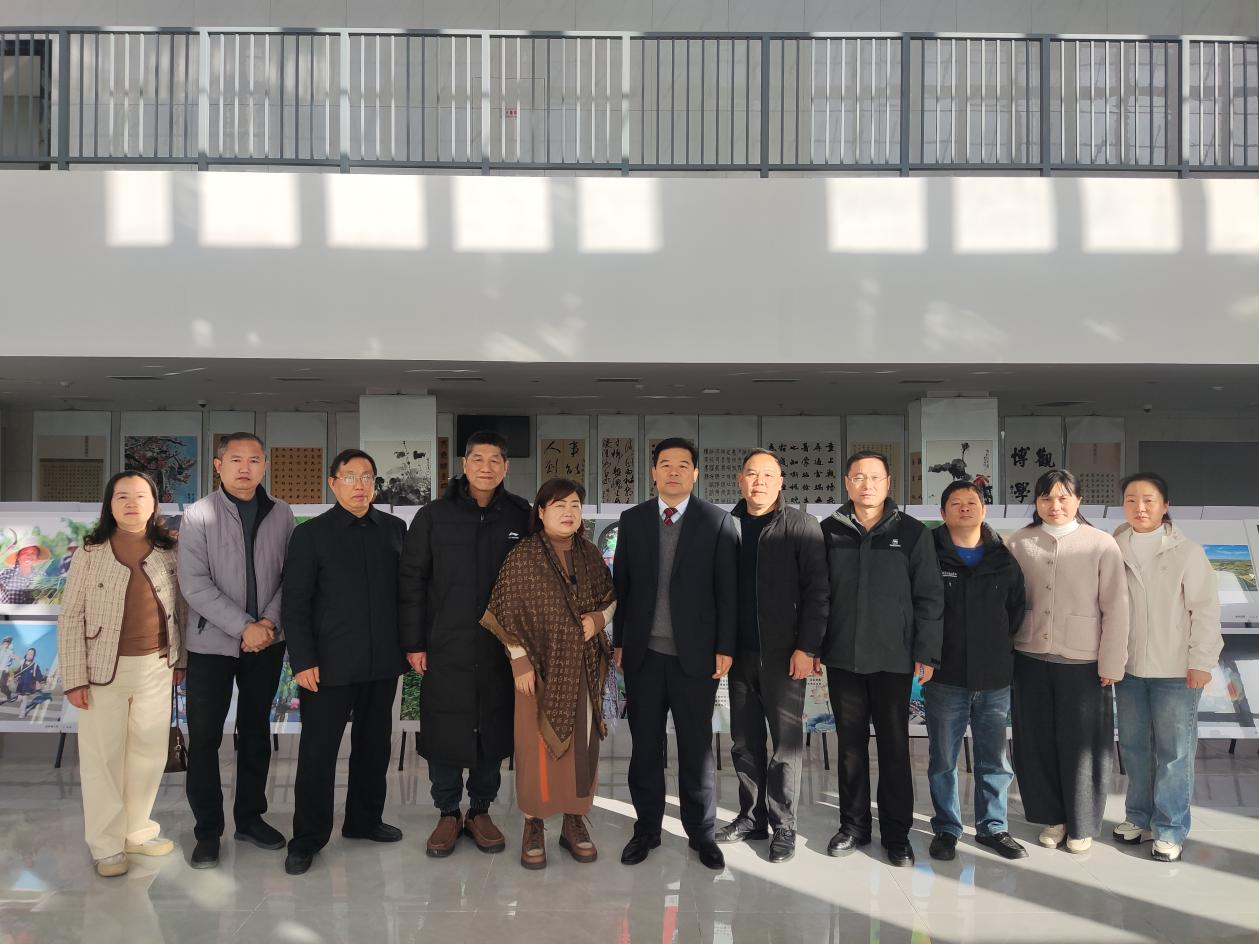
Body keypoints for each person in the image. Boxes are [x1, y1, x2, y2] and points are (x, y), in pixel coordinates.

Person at [399, 430, 532, 858]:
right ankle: (447, 812)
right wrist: (415, 642)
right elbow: (412, 581)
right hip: (446, 642)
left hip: (500, 646)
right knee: (445, 725)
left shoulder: (521, 515)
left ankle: (480, 810)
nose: (486, 468)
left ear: (506, 467)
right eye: (478, 459)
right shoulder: (434, 516)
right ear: (464, 464)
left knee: (492, 724)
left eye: (495, 460)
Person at [612, 437, 738, 871]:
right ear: (653, 472)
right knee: (645, 746)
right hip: (643, 655)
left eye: (683, 465)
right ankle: (646, 828)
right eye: (665, 464)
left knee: (696, 748)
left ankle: (701, 833)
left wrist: (725, 646)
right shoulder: (632, 520)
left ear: (695, 473)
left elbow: (728, 592)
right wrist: (620, 641)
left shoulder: (717, 521)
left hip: (696, 658)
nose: (673, 472)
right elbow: (623, 586)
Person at [282, 449, 408, 875]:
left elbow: (407, 594)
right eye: (350, 476)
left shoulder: (393, 530)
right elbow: (294, 603)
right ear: (333, 483)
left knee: (374, 747)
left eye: (367, 477)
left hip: (382, 661)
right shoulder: (311, 535)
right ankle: (307, 838)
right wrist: (302, 660)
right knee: (318, 753)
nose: (360, 485)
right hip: (327, 665)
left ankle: (364, 820)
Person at [481, 478, 616, 869]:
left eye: (574, 505)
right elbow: (505, 611)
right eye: (559, 506)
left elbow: (610, 598)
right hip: (536, 671)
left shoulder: (590, 553)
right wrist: (519, 660)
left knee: (582, 748)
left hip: (584, 667)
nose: (568, 513)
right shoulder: (523, 556)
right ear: (540, 512)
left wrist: (598, 619)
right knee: (534, 747)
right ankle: (534, 823)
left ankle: (574, 820)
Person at [57, 471, 186, 877]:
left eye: (141, 496)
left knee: (148, 754)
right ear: (109, 505)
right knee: (102, 759)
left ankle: (137, 831)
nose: (132, 503)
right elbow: (70, 615)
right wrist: (74, 678)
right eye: (122, 496)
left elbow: (181, 608)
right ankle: (106, 845)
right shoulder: (91, 551)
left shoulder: (169, 550)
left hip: (157, 666)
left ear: (154, 504)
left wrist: (180, 660)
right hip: (101, 670)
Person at [819, 450, 943, 867]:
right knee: (850, 747)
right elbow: (817, 595)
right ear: (847, 483)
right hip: (843, 657)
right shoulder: (829, 531)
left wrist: (926, 652)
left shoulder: (912, 533)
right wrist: (813, 645)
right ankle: (853, 827)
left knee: (894, 748)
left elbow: (929, 597)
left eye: (875, 477)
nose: (867, 485)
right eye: (859, 477)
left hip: (895, 659)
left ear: (888, 483)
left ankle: (896, 834)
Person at [179, 432, 296, 869]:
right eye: (235, 459)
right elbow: (194, 584)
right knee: (205, 738)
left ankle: (250, 818)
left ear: (265, 465)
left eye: (254, 460)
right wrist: (243, 626)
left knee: (255, 732)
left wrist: (267, 624)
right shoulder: (197, 514)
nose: (245, 467)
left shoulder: (282, 513)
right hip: (211, 642)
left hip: (266, 641)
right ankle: (207, 831)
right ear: (218, 465)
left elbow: (290, 576)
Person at [715, 449, 828, 864]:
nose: (759, 482)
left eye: (768, 475)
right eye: (751, 474)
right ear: (740, 480)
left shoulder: (801, 525)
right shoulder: (726, 526)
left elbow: (818, 591)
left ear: (781, 482)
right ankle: (751, 818)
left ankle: (784, 824)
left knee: (785, 746)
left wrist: (807, 647)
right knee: (744, 742)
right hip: (738, 654)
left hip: (785, 656)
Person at [1008, 469, 1129, 854]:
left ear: (1078, 500)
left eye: (1063, 497)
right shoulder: (1019, 542)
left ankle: (1082, 823)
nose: (1055, 505)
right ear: (1036, 502)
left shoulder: (1101, 543)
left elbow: (1117, 607)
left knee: (1083, 746)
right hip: (1028, 655)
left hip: (1083, 661)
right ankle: (1053, 817)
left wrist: (1112, 663)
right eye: (1046, 498)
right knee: (1036, 741)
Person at [1112, 472, 1222, 863]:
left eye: (1149, 500)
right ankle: (1138, 817)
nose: (1139, 508)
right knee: (1134, 747)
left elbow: (1205, 610)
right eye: (1131, 500)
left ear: (1165, 506)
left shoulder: (1186, 552)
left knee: (1175, 752)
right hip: (1128, 670)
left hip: (1176, 671)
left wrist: (1202, 662)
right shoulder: (1114, 547)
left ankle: (1171, 828)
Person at [925, 481, 1028, 862]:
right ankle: (947, 828)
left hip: (994, 675)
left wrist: (995, 646)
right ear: (943, 512)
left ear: (984, 510)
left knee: (994, 759)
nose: (965, 508)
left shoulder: (1003, 557)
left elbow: (1016, 610)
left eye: (972, 502)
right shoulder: (929, 553)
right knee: (943, 759)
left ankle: (993, 827)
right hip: (944, 675)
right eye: (956, 503)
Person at [14, 647, 46, 719]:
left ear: (34, 656)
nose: (29, 655)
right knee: (19, 699)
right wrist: (15, 675)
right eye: (28, 653)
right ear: (26, 654)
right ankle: (22, 707)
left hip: (28, 686)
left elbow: (38, 675)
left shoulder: (35, 665)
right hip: (20, 685)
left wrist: (41, 680)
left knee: (25, 699)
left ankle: (22, 713)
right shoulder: (22, 664)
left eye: (31, 654)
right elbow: (18, 672)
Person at [0, 635, 16, 703]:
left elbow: (15, 657)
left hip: (5, 670)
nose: (5, 644)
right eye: (4, 642)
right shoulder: (0, 650)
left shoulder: (10, 651)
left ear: (9, 644)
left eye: (7, 643)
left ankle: (8, 694)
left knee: (2, 685)